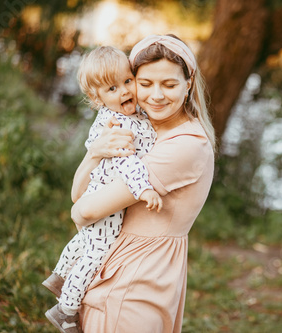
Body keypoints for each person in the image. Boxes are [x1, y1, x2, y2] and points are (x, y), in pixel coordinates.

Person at [69, 34, 215, 332]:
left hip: (134, 280)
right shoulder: (142, 129)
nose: (156, 96)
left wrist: (82, 205)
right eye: (145, 84)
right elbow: (77, 195)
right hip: (128, 274)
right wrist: (94, 153)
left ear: (189, 83)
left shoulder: (184, 146)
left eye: (170, 85)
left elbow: (82, 212)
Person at [43, 46, 163, 333]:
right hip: (107, 200)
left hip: (99, 192)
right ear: (98, 99)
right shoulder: (117, 122)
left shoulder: (127, 115)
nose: (125, 91)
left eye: (127, 81)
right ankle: (66, 309)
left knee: (87, 241)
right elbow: (127, 162)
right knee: (96, 252)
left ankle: (60, 276)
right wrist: (144, 189)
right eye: (113, 88)